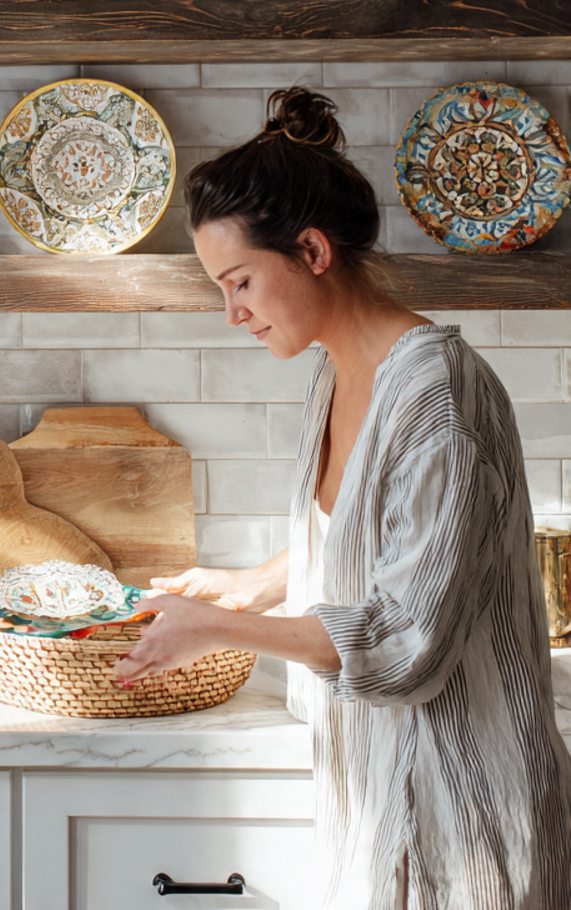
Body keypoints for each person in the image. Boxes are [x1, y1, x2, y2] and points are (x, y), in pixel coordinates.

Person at [115, 87, 571, 910]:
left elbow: (405, 640)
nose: (232, 313)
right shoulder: (335, 369)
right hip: (375, 799)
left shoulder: (438, 398)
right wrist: (252, 582)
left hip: (464, 820)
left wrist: (219, 628)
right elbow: (387, 534)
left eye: (241, 280)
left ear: (314, 251)